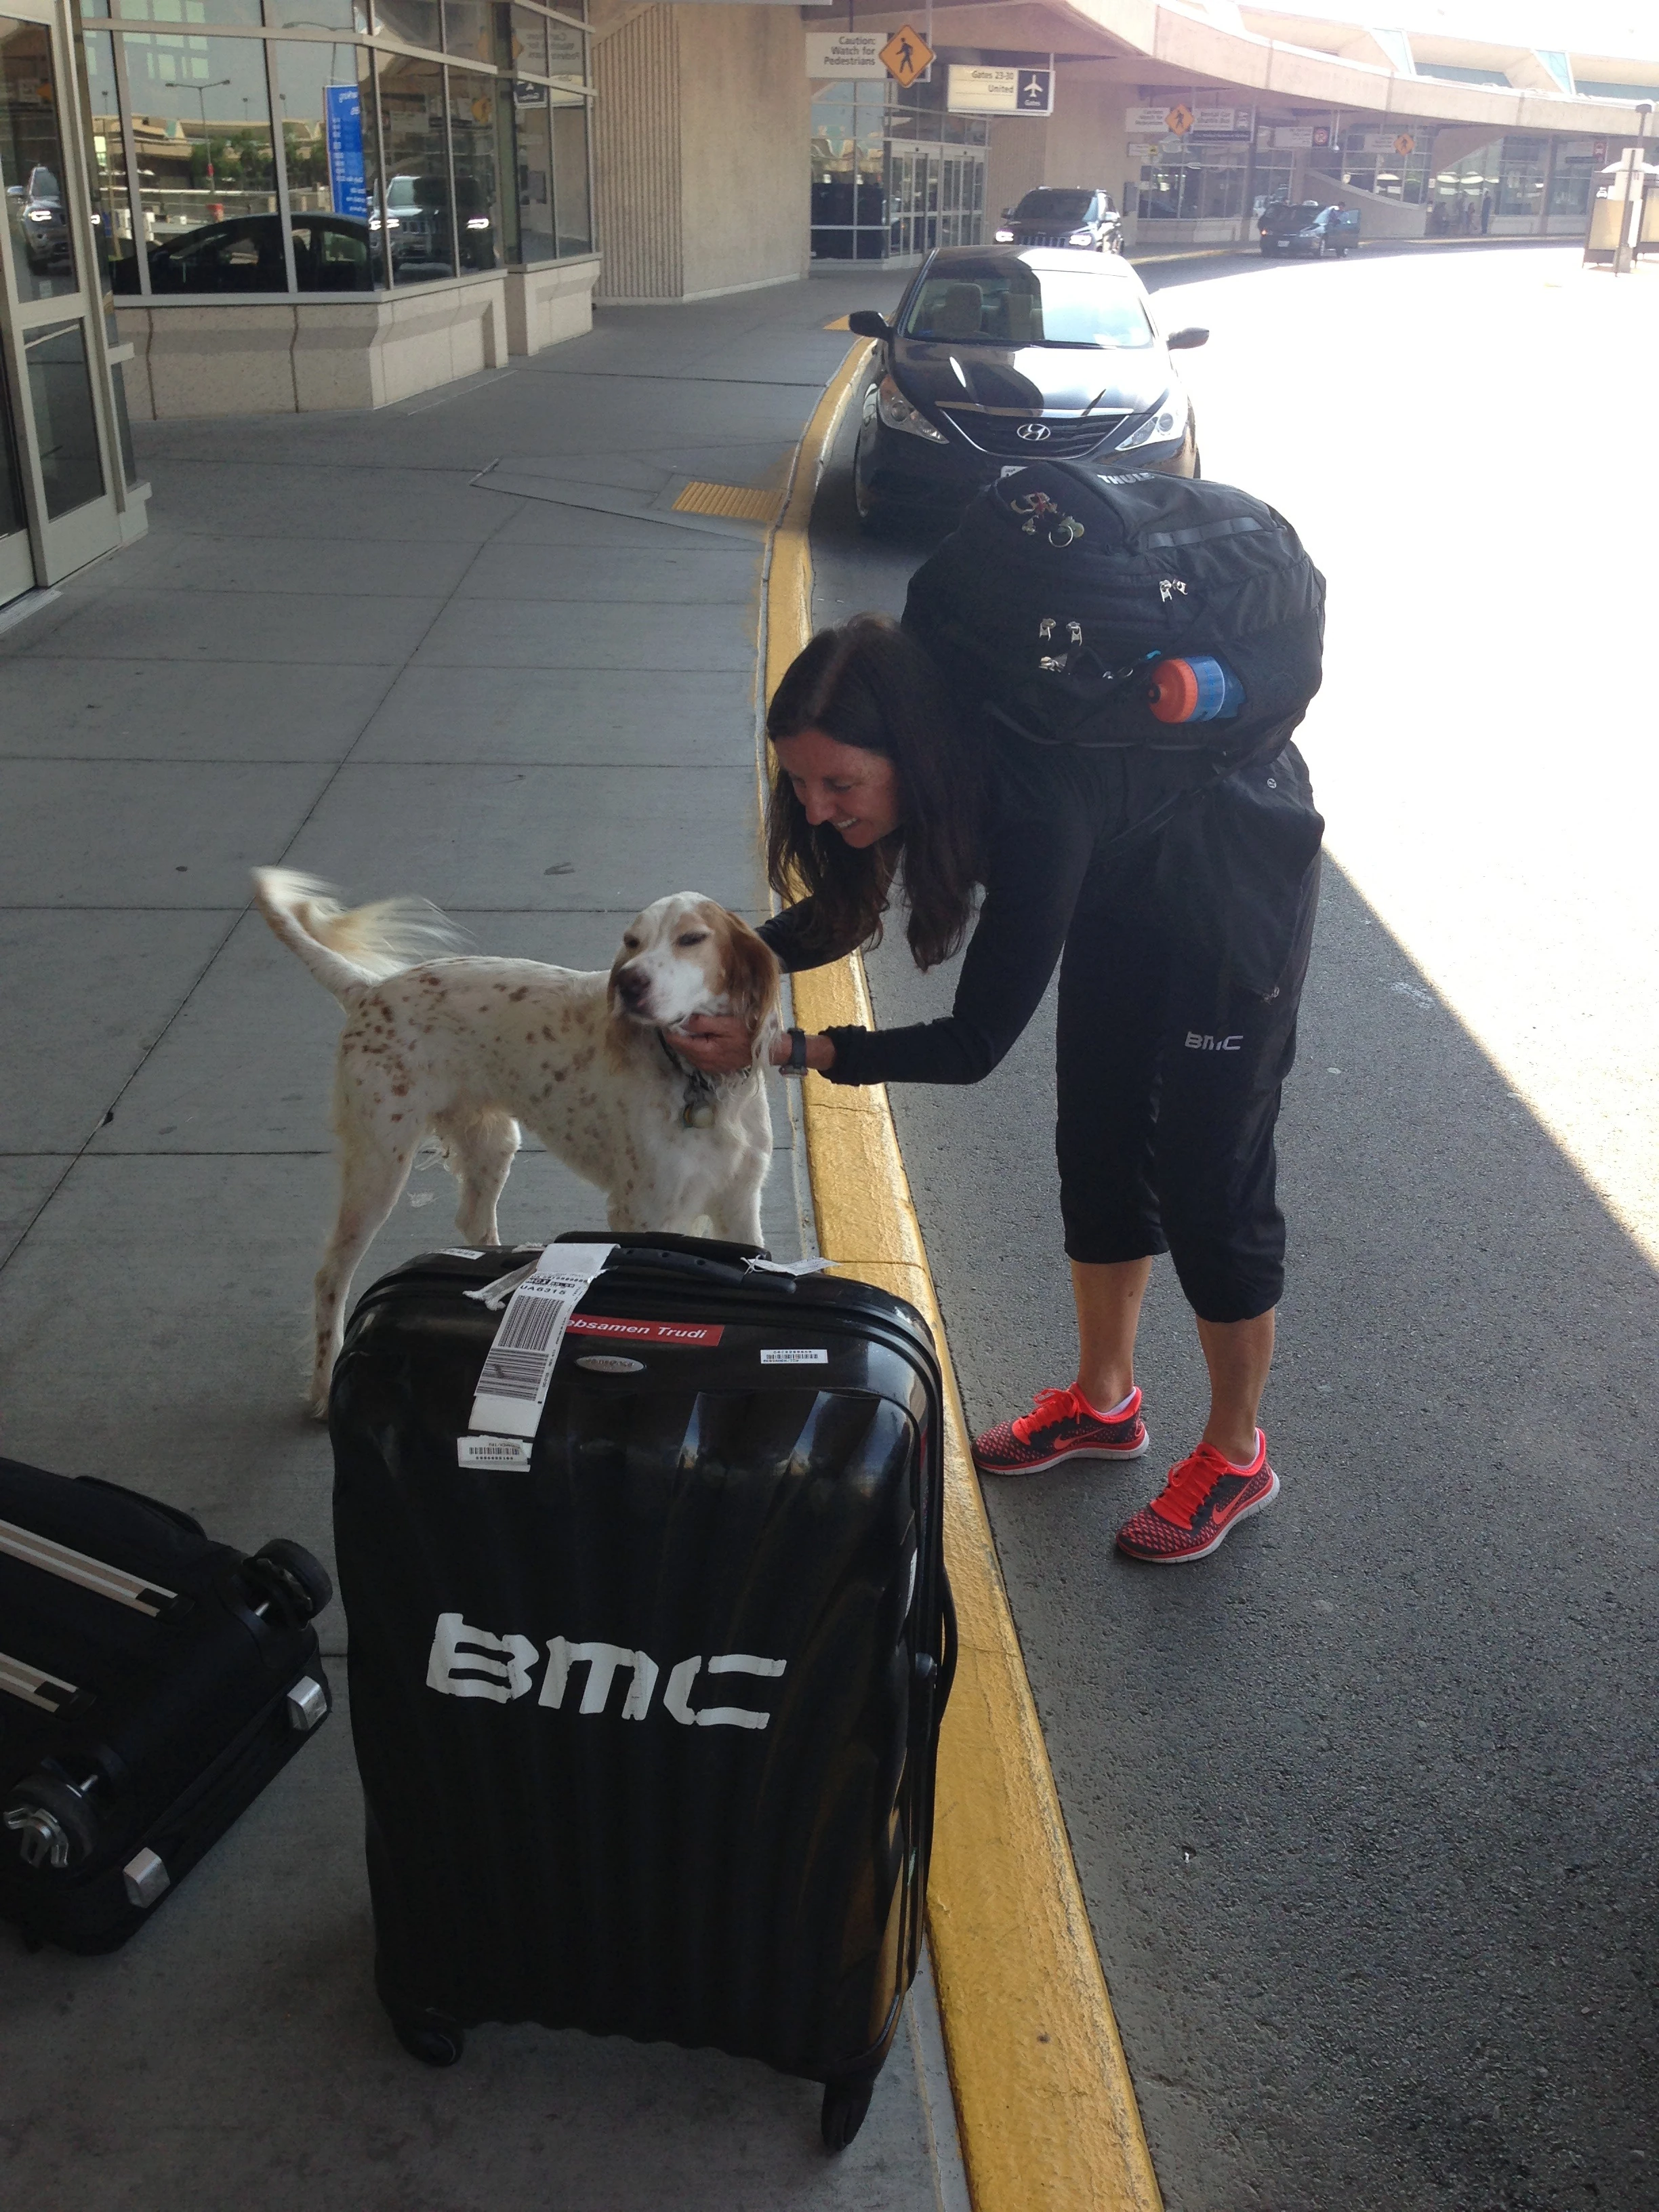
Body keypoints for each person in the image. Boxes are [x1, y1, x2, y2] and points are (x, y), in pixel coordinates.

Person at [676, 612, 1323, 1566]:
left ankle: (1237, 1454)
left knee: (1206, 1183)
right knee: (1098, 1143)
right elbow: (841, 911)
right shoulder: (936, 763)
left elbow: (974, 1043)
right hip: (1123, 875)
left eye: (839, 784)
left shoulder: (1034, 802)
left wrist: (786, 1049)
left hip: (1229, 888)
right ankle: (1106, 1403)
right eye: (799, 783)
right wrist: (701, 969)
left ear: (910, 758)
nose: (813, 810)